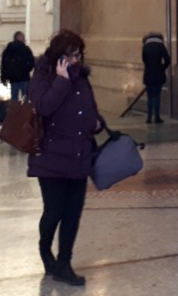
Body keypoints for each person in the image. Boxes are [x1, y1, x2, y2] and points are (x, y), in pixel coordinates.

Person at [28, 29, 102, 286]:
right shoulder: (42, 76)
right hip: (50, 157)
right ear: (59, 57)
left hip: (79, 154)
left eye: (79, 54)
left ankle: (64, 263)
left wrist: (97, 123)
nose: (77, 60)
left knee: (73, 213)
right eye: (72, 55)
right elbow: (43, 107)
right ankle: (44, 248)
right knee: (54, 211)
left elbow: (89, 106)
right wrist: (61, 80)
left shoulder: (81, 76)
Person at [141, 32, 171, 124]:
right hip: (159, 74)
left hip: (148, 74)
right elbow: (167, 59)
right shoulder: (160, 46)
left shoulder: (145, 47)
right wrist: (162, 68)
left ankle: (149, 117)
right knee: (157, 96)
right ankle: (157, 117)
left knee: (150, 97)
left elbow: (144, 60)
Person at [0, 31, 36, 101]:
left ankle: (15, 111)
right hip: (24, 77)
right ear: (19, 37)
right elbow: (31, 61)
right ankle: (24, 112)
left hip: (13, 78)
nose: (24, 39)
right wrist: (27, 70)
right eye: (23, 37)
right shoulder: (25, 49)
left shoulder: (8, 49)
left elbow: (4, 64)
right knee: (25, 98)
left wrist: (4, 77)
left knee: (14, 98)